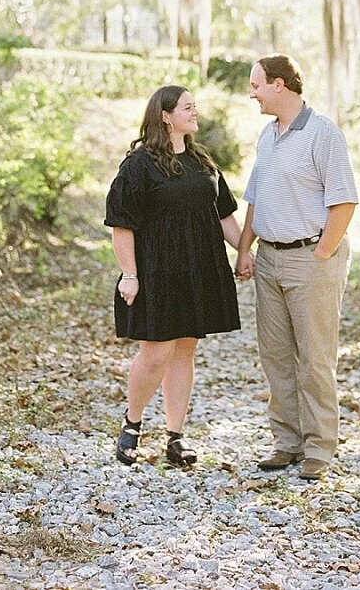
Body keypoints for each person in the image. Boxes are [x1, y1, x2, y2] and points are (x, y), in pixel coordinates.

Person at [105, 85, 241, 468]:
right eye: (187, 107)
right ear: (165, 115)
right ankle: (132, 424)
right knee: (156, 352)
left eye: (195, 105)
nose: (195, 111)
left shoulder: (202, 162)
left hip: (198, 267)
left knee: (185, 349)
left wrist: (245, 251)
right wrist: (129, 275)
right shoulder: (138, 165)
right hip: (155, 271)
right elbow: (121, 226)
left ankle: (175, 437)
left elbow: (224, 214)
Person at [236, 54, 358, 480]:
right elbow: (256, 199)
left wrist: (322, 253)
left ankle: (319, 449)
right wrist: (245, 249)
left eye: (256, 85)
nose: (251, 93)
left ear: (279, 85)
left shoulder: (322, 133)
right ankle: (286, 442)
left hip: (310, 258)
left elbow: (344, 200)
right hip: (269, 259)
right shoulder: (267, 137)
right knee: (275, 356)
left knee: (315, 358)